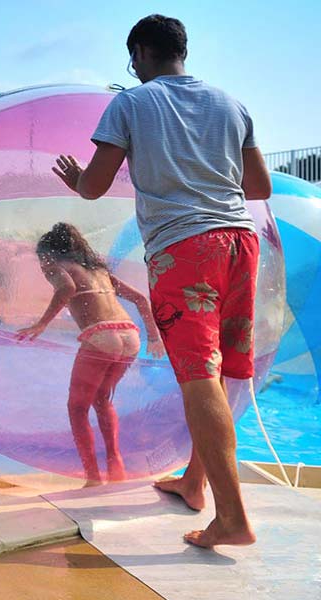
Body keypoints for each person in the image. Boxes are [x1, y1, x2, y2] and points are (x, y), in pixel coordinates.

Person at [51, 14, 272, 547]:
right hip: (241, 243)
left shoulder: (131, 102)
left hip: (184, 248)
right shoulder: (230, 103)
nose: (131, 67)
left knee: (197, 376)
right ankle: (195, 483)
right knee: (217, 373)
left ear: (142, 52)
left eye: (132, 58)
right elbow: (259, 184)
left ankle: (233, 518)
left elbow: (95, 187)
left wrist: (78, 178)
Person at [16, 223, 165, 484]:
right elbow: (141, 299)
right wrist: (153, 337)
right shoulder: (99, 271)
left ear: (50, 253)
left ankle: (93, 476)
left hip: (101, 336)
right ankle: (116, 466)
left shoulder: (57, 266)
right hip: (130, 336)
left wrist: (41, 324)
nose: (42, 266)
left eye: (42, 259)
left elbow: (66, 290)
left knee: (77, 408)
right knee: (102, 399)